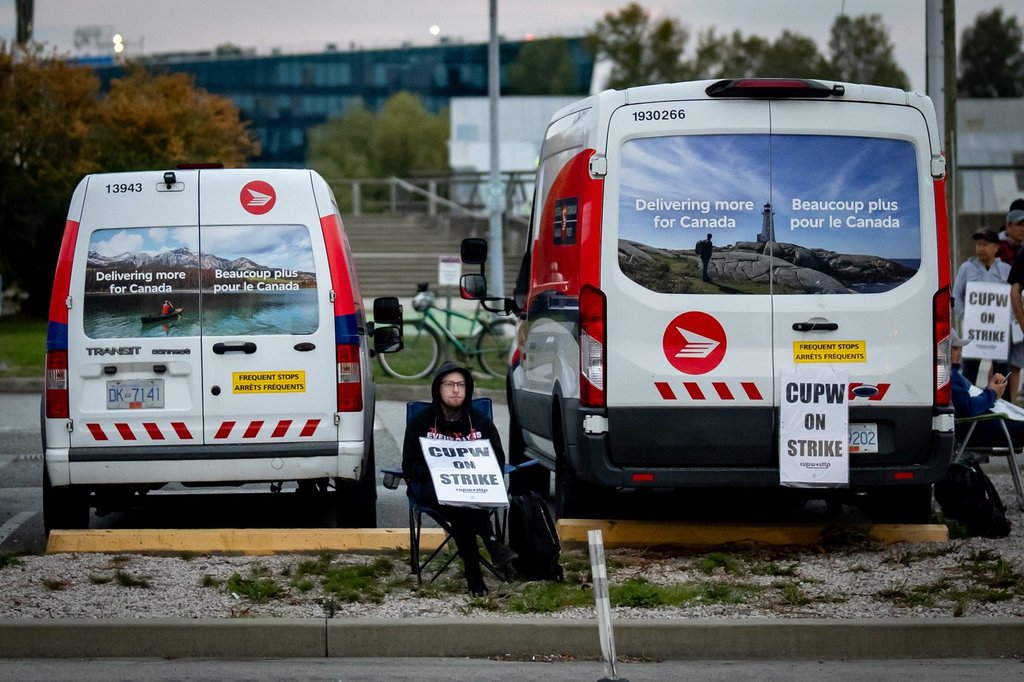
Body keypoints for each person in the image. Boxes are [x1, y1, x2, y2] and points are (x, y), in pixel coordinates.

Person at [401, 361, 517, 596]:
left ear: (468, 389)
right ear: (438, 389)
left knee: (461, 505)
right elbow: (410, 465)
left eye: (461, 385)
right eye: (450, 384)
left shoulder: (481, 422)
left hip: (473, 488)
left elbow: (497, 458)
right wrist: (440, 471)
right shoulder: (421, 422)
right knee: (458, 502)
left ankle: (476, 576)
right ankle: (491, 543)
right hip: (431, 487)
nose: (456, 390)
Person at [952, 228, 1011, 384]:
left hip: (998, 333)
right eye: (978, 244)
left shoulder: (1006, 270)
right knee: (969, 373)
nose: (980, 248)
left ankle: (1001, 405)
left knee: (1001, 373)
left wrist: (1009, 320)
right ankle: (969, 405)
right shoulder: (966, 268)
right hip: (974, 332)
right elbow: (956, 294)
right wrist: (965, 315)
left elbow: (1013, 297)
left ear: (995, 248)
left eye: (985, 244)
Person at [950, 327, 1024, 446]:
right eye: (954, 348)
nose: (959, 353)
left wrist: (991, 390)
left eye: (959, 348)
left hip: (984, 422)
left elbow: (969, 401)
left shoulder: (952, 374)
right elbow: (967, 407)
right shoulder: (949, 376)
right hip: (978, 428)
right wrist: (991, 393)